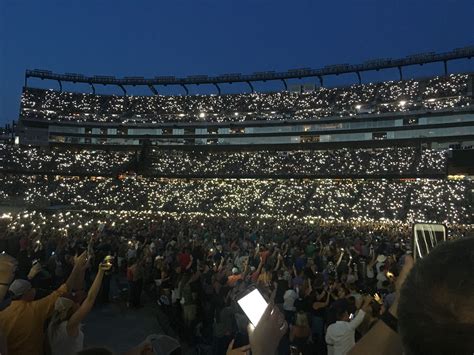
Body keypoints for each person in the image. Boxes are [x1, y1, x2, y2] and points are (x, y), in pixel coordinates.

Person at [0, 251, 88, 355]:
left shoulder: (4, 311)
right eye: (31, 289)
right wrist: (77, 266)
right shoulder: (31, 310)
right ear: (24, 294)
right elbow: (62, 291)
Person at [47, 261, 112, 355]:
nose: (79, 304)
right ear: (70, 309)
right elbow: (90, 298)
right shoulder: (69, 326)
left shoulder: (53, 324)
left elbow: (79, 288)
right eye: (76, 303)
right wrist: (100, 272)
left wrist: (81, 269)